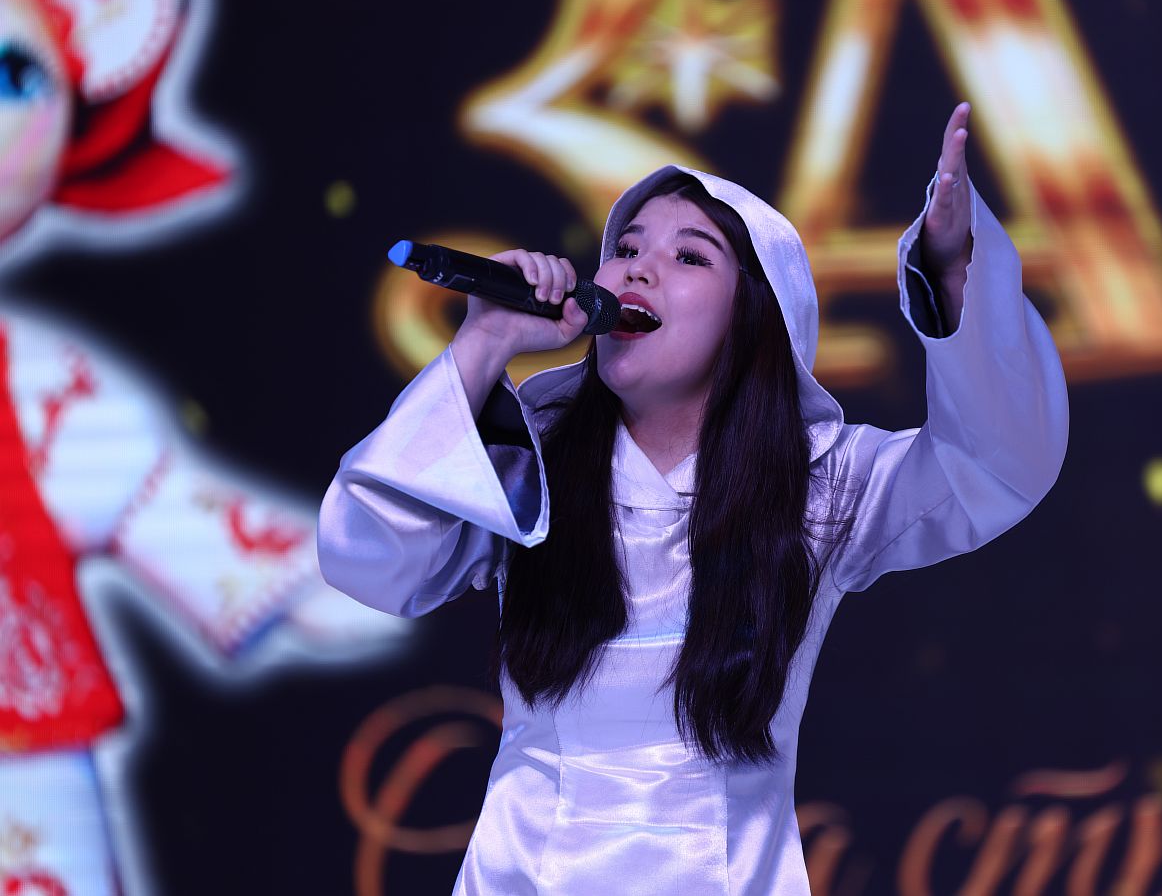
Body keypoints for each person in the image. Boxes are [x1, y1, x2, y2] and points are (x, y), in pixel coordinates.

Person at [317, 103, 1069, 894]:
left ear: (754, 315)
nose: (637, 270)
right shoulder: (524, 457)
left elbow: (998, 464)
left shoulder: (820, 482)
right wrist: (484, 343)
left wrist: (951, 269)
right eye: (626, 249)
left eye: (688, 256)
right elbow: (364, 556)